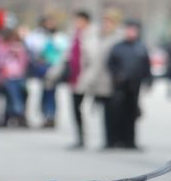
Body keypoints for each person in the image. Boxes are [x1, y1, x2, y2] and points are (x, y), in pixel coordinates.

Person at [104, 20, 151, 150]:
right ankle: (115, 140)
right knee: (117, 113)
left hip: (135, 85)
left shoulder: (141, 47)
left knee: (132, 114)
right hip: (119, 86)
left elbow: (146, 66)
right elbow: (110, 64)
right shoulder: (117, 47)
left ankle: (130, 141)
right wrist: (116, 76)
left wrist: (148, 80)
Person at [77, 13, 117, 148]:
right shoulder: (96, 38)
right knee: (103, 111)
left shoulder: (115, 39)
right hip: (97, 81)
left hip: (112, 80)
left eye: (109, 22)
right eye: (104, 22)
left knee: (112, 112)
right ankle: (105, 140)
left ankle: (113, 140)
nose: (106, 25)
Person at [0, 19, 30, 127]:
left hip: (18, 76)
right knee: (13, 93)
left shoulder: (20, 47)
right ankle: (18, 113)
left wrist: (18, 54)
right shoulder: (1, 48)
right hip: (6, 77)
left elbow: (24, 63)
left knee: (22, 93)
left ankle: (16, 113)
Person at [64, 11, 92, 147]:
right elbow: (67, 57)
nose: (77, 24)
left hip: (87, 78)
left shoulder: (92, 36)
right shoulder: (74, 36)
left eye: (79, 21)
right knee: (75, 108)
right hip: (74, 78)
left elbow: (94, 60)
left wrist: (87, 79)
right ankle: (80, 138)